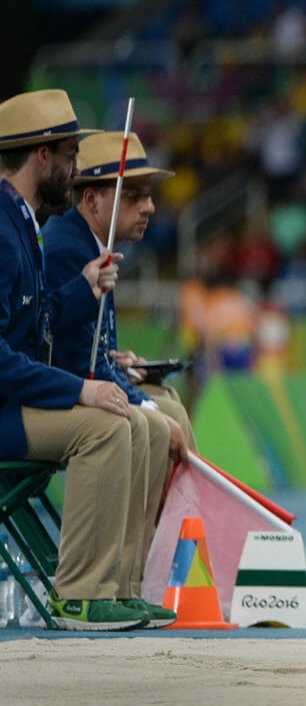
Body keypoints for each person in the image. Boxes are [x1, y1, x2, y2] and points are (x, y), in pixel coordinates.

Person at [0, 89, 174, 630]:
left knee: (133, 424)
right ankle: (77, 593)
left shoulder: (21, 223)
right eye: (71, 154)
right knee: (104, 425)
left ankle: (118, 587)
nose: (75, 170)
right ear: (43, 155)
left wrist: (83, 291)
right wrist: (81, 389)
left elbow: (38, 323)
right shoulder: (4, 231)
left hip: (16, 404)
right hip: (5, 412)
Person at [43, 131, 195, 601]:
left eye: (149, 196)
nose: (148, 207)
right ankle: (126, 581)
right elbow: (69, 360)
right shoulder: (69, 248)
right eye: (135, 195)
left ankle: (148, 573)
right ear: (92, 198)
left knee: (170, 408)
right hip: (54, 401)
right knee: (155, 422)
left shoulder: (88, 242)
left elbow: (88, 350)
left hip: (71, 388)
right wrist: (142, 402)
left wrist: (117, 362)